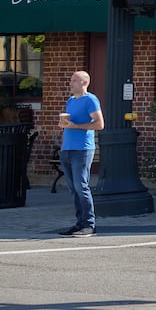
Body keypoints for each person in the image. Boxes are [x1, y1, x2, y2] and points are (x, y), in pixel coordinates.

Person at [57, 70, 102, 236]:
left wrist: (76, 126)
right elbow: (70, 123)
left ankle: (89, 224)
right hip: (67, 149)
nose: (70, 83)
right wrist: (65, 126)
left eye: (74, 80)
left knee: (81, 186)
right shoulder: (70, 101)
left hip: (82, 149)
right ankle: (79, 223)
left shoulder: (90, 100)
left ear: (84, 82)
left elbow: (99, 124)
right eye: (71, 80)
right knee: (73, 189)